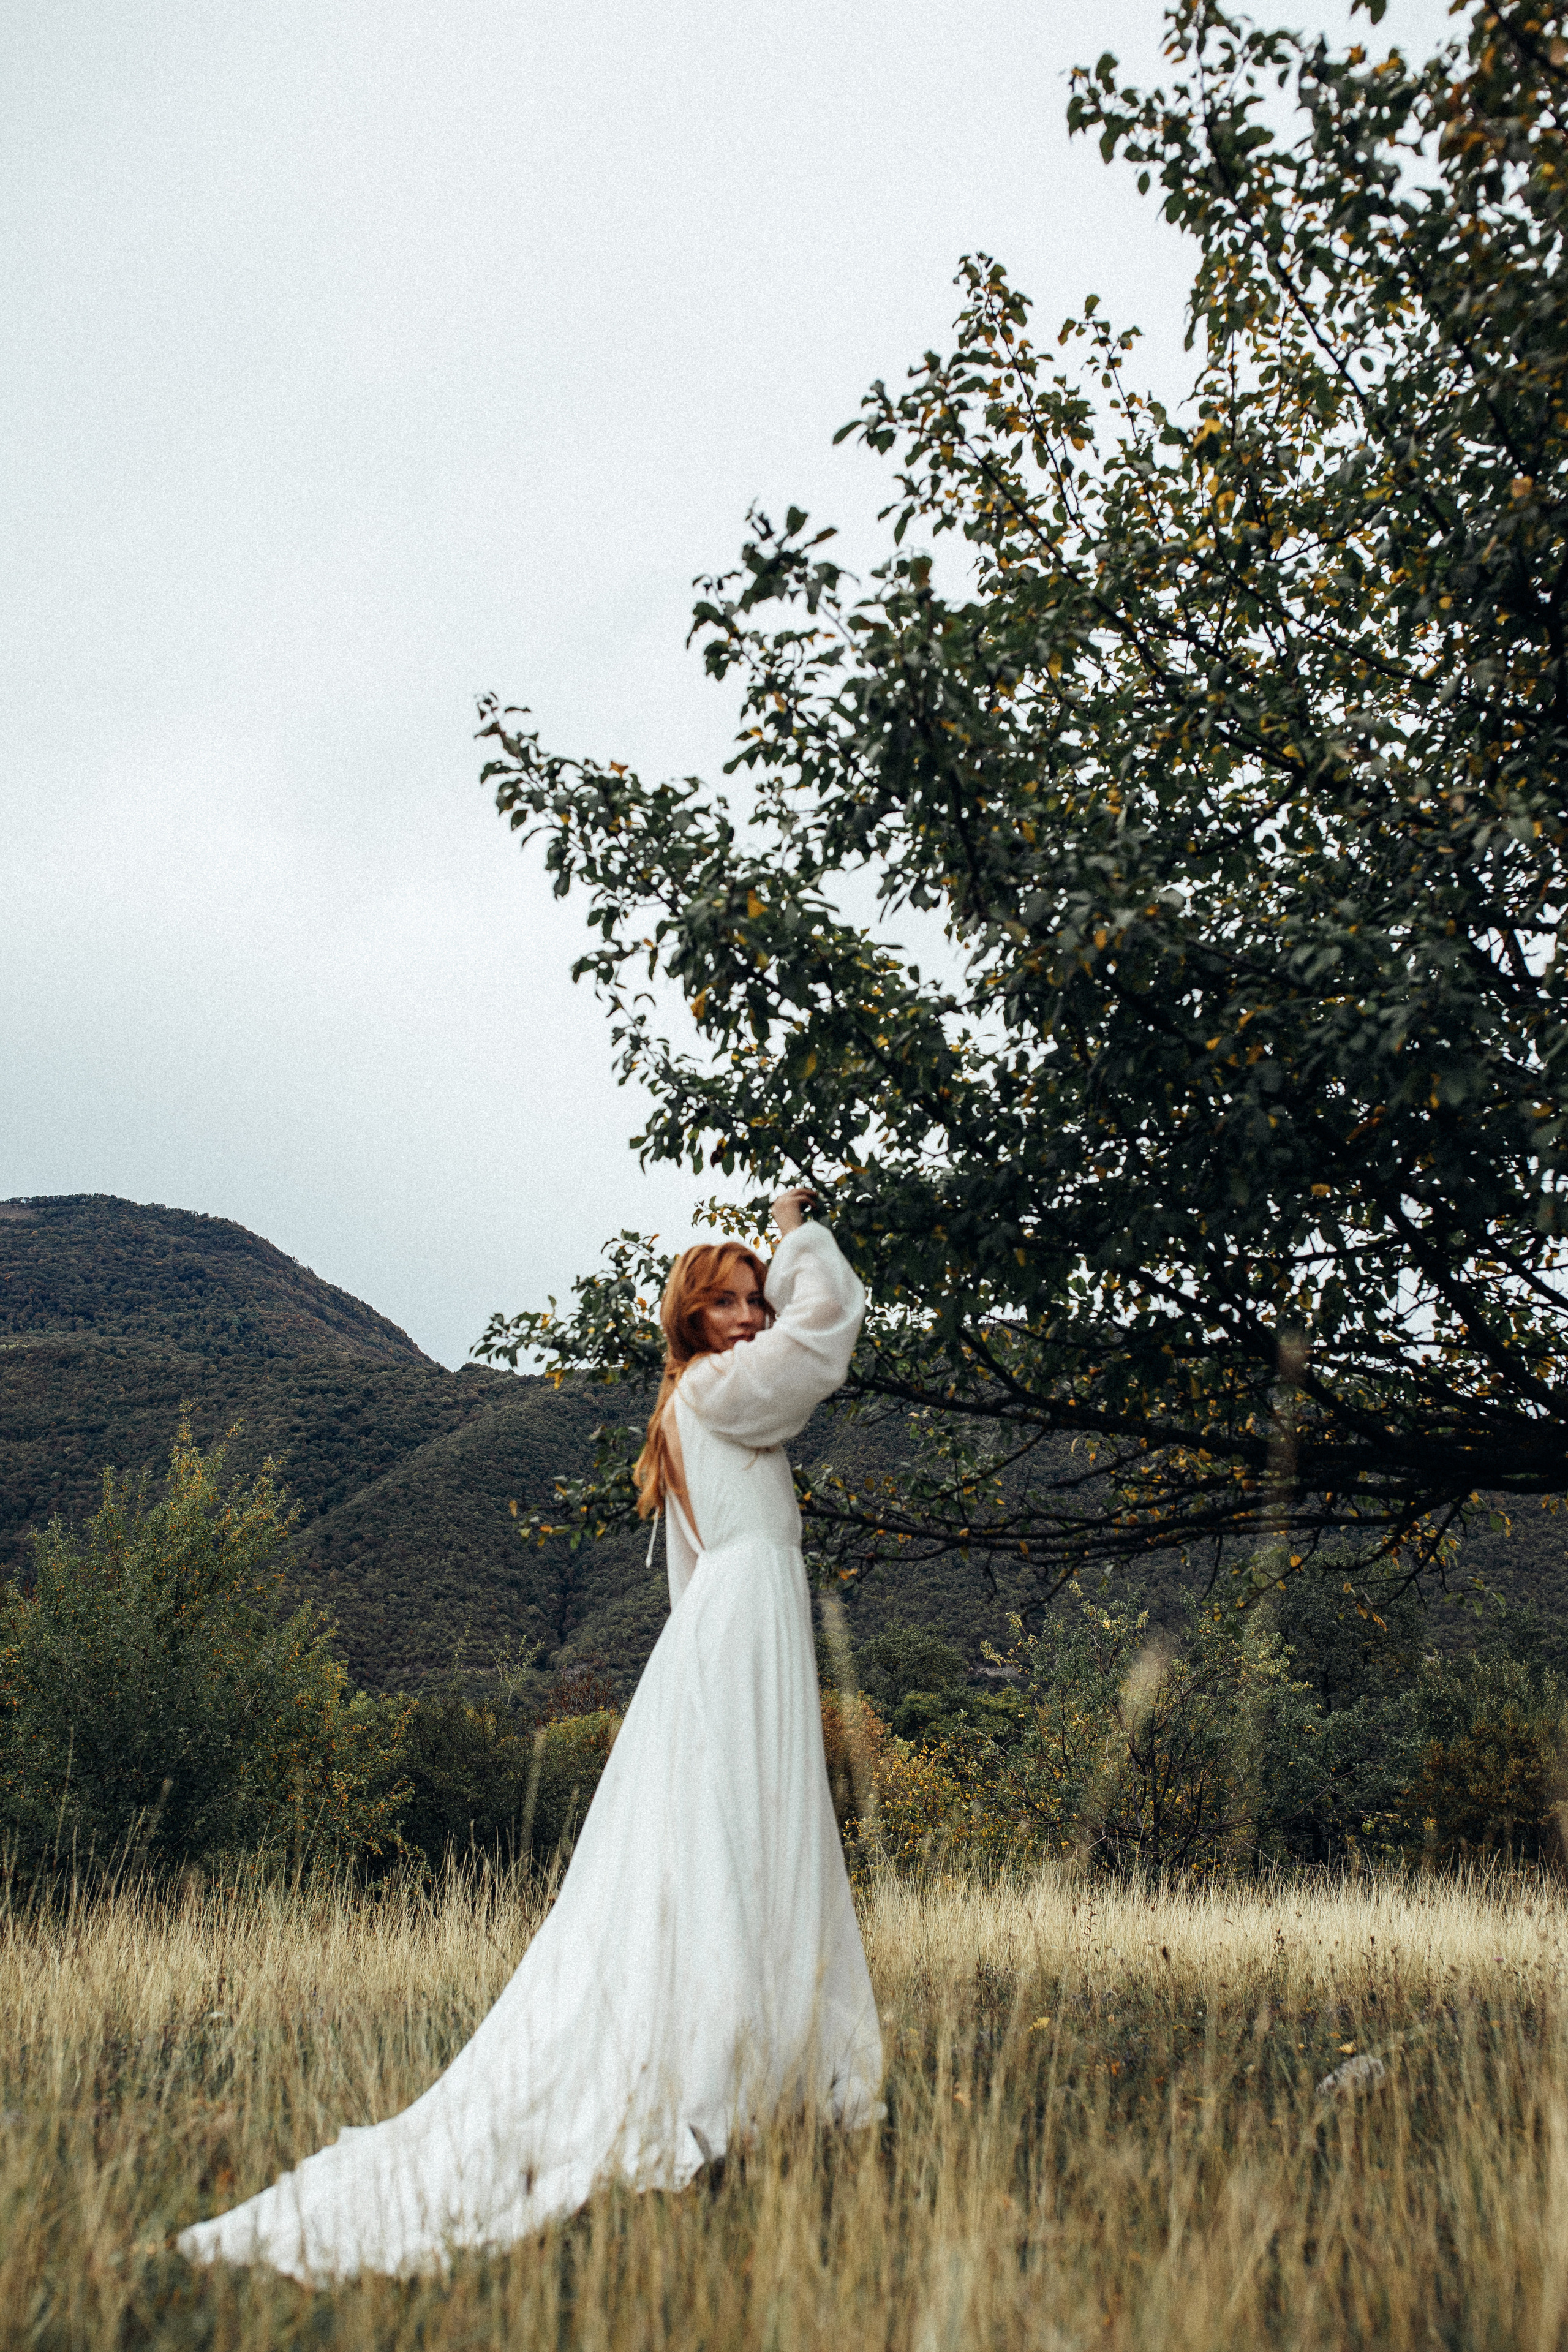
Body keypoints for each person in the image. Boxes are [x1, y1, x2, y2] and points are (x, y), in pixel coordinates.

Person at [177, 1186, 883, 2281]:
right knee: (739, 1844)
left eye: (754, 1301)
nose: (751, 1318)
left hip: (739, 1633)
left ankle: (757, 2074)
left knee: (746, 1845)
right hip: (742, 1634)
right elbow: (820, 1340)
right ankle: (722, 2081)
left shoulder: (699, 1399)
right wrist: (797, 1240)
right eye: (731, 1303)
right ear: (692, 1320)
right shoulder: (718, 1388)